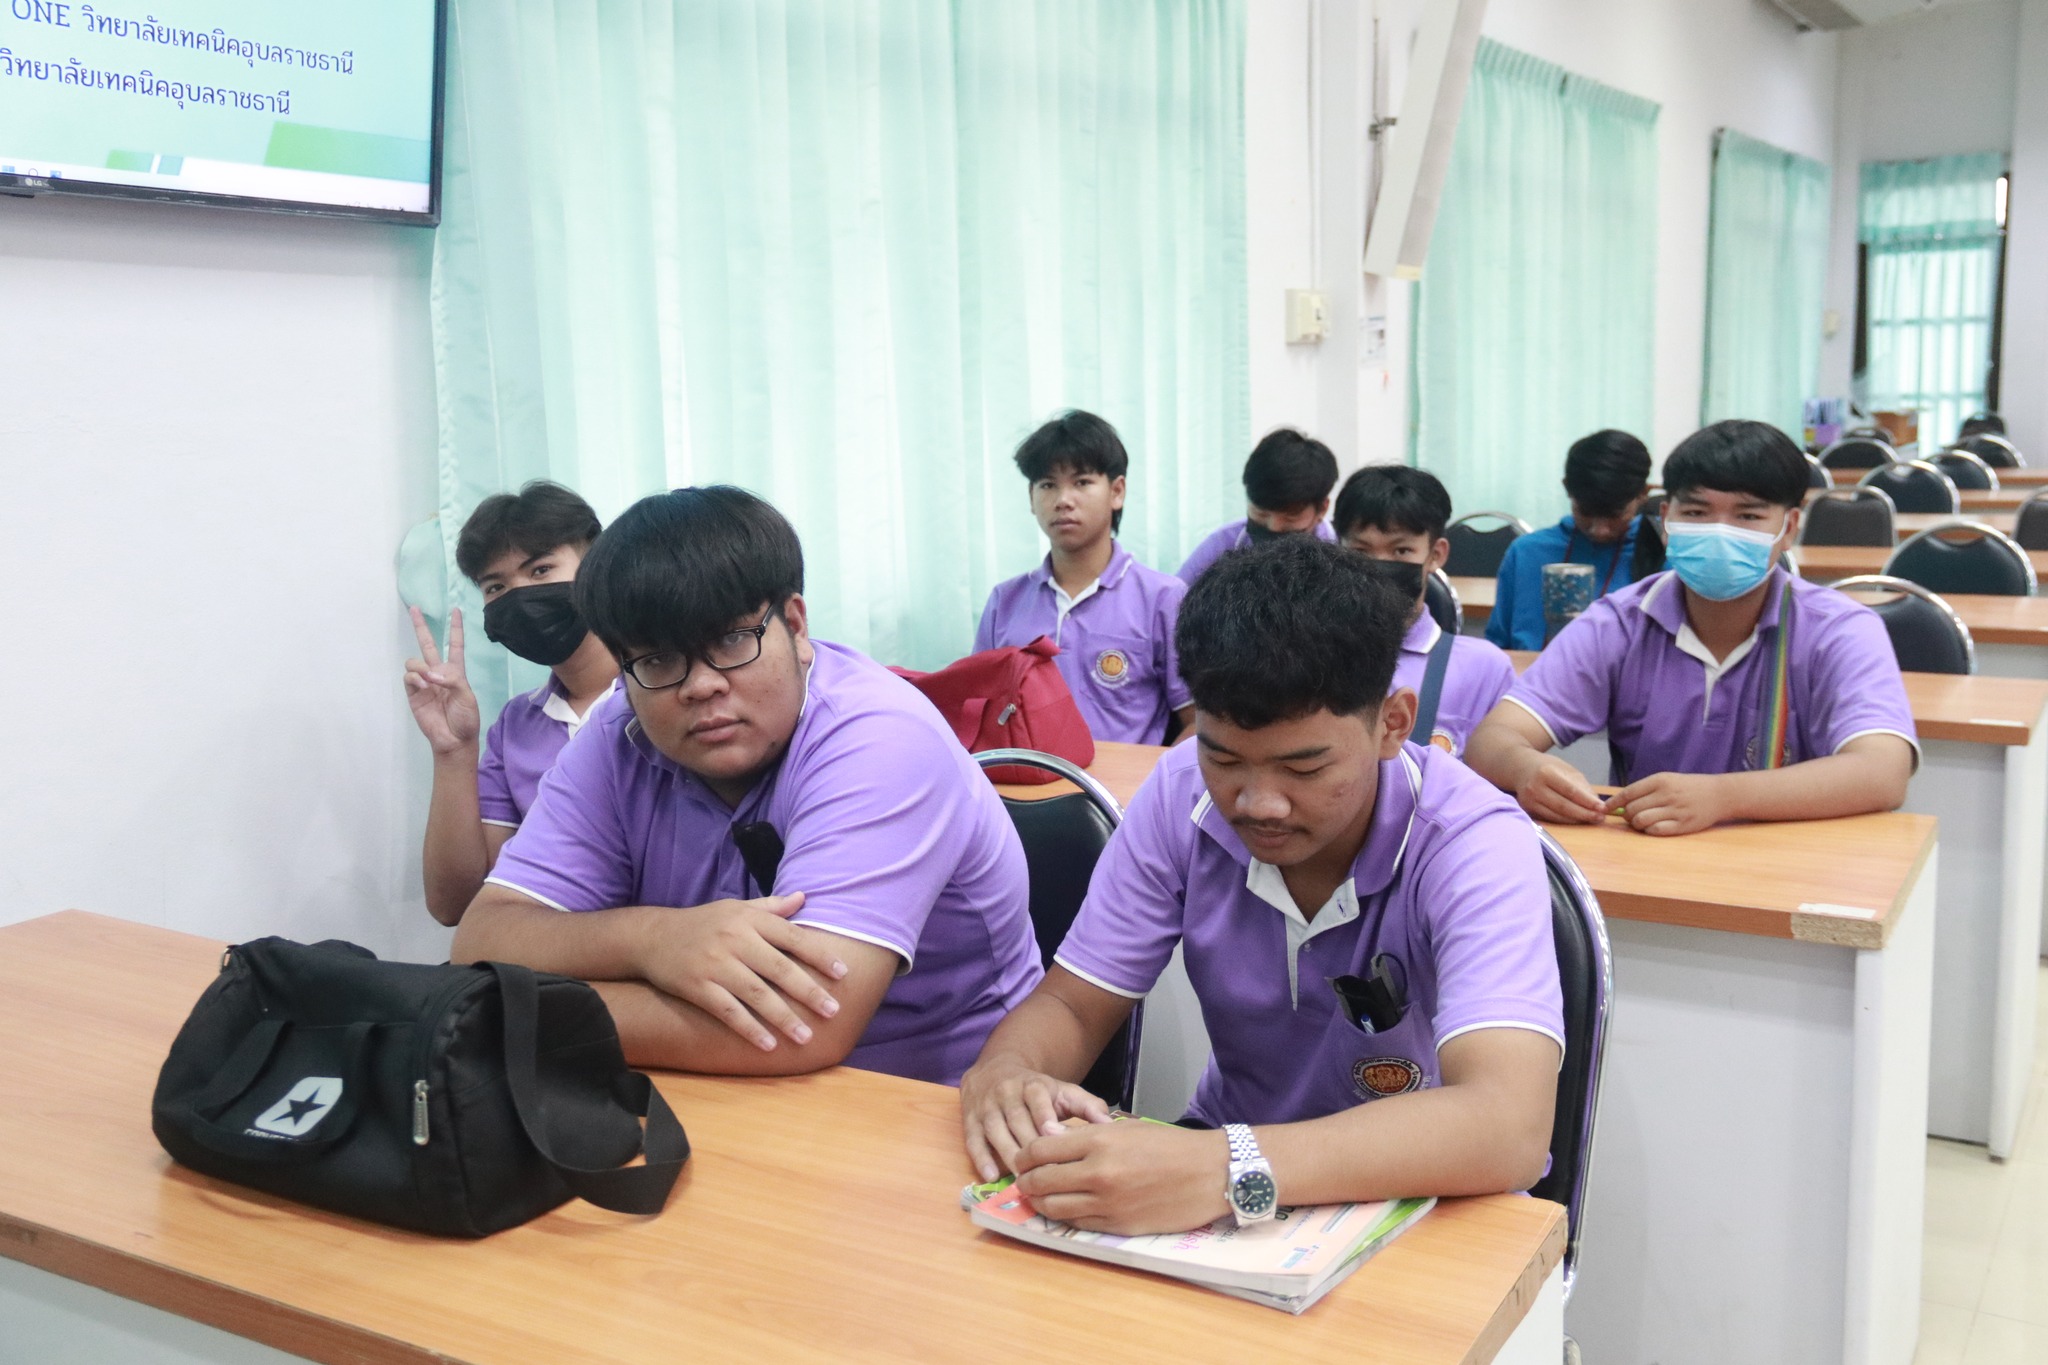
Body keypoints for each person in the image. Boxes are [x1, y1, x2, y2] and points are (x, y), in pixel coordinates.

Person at [959, 537, 1563, 1236]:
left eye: (1304, 769)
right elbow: (1072, 1004)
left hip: (1426, 1193)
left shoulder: (1471, 840)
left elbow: (1508, 1126)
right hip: (1225, 1171)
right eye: (1224, 759)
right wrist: (1008, 1070)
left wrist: (1226, 1166)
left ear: (1392, 724)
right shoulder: (1181, 794)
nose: (1258, 803)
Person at [450, 486, 1043, 1085]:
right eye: (657, 660)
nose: (700, 686)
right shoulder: (617, 732)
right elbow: (482, 937)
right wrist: (651, 939)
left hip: (940, 1098)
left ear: (795, 626)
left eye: (731, 640)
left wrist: (511, 1013)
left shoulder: (880, 736)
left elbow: (800, 1024)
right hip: (710, 1088)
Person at [1465, 420, 1917, 837]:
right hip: (1649, 857)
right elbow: (1492, 740)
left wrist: (1723, 797)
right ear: (1666, 520)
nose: (1720, 531)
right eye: (1697, 513)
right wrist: (1524, 768)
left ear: (1789, 527)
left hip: (1794, 863)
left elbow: (1883, 771)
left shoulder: (1838, 630)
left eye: (1748, 516)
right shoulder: (1620, 622)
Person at [402, 481, 620, 926]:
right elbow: (455, 904)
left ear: (598, 568)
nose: (519, 596)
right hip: (548, 954)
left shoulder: (665, 696)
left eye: (540, 570)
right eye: (496, 586)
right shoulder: (518, 726)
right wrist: (453, 751)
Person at [975, 412, 1192, 746]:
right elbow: (977, 715)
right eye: (1048, 485)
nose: (1063, 500)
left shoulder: (1163, 598)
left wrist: (1155, 778)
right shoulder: (1005, 602)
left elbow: (1199, 723)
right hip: (1021, 778)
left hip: (1125, 781)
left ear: (1117, 491)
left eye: (1082, 483)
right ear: (1031, 497)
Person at [1333, 465, 1517, 758]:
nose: (1379, 566)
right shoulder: (1309, 657)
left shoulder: (1484, 669)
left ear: (1436, 554)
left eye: (1401, 551)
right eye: (1361, 552)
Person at [1485, 430, 1654, 651]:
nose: (1600, 531)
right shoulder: (1526, 552)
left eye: (1614, 515)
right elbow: (1497, 648)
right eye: (1585, 512)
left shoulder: (1663, 558)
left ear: (1643, 494)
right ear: (1567, 489)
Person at [1175, 428, 1340, 585]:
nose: (1274, 526)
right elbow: (1175, 598)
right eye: (1261, 512)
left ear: (1322, 509)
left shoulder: (1341, 549)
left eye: (1290, 516)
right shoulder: (1223, 544)